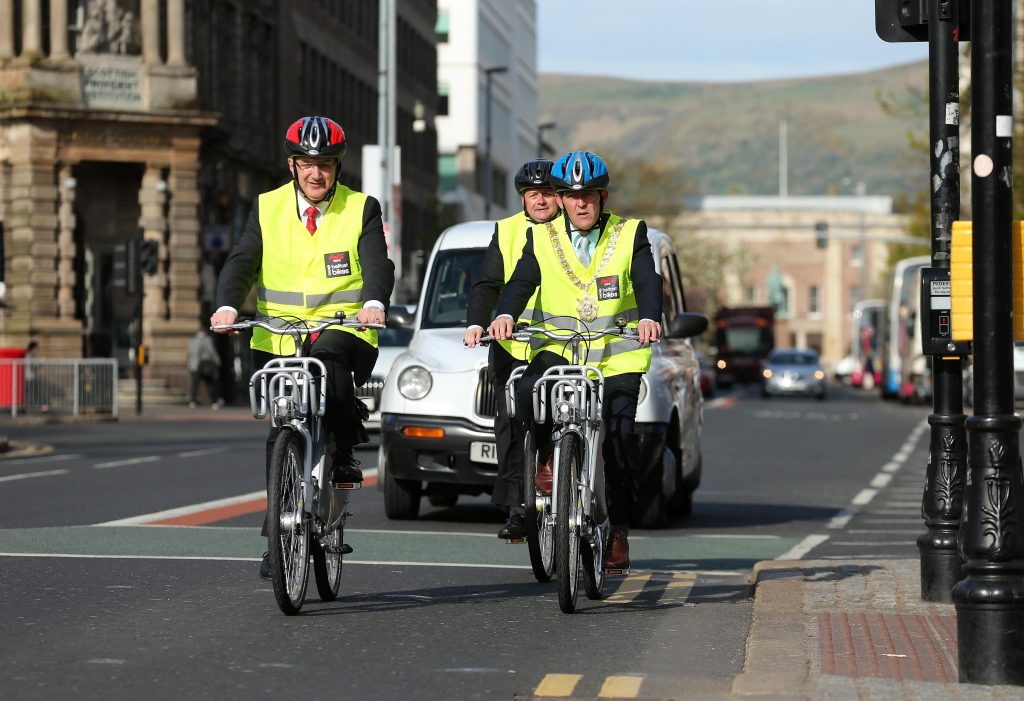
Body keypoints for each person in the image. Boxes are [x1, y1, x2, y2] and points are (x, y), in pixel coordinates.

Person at [211, 115, 395, 579]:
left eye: (327, 165)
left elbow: (377, 262)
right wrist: (228, 306)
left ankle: (346, 444)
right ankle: (278, 537)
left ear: (337, 166)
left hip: (343, 330)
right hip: (277, 334)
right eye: (309, 164)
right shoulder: (267, 207)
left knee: (328, 365)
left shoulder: (360, 208)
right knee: (282, 430)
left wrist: (373, 301)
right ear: (293, 165)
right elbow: (242, 261)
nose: (317, 174)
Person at [487, 151, 662, 570]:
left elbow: (646, 278)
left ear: (603, 197)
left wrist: (651, 316)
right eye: (571, 195)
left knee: (619, 438)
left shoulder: (629, 233)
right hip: (561, 348)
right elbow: (521, 280)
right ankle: (548, 456)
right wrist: (505, 314)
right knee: (527, 389)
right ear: (561, 199)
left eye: (589, 195)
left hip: (617, 355)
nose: (580, 203)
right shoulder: (541, 238)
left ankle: (617, 531)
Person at [464, 159, 559, 540]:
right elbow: (487, 283)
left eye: (548, 193)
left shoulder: (570, 230)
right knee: (507, 420)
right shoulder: (505, 230)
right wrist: (476, 322)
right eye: (533, 194)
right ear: (522, 197)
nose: (540, 200)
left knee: (555, 412)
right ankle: (519, 506)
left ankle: (562, 469)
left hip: (556, 340)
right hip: (511, 341)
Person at [186, 328, 224, 409]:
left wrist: (190, 364)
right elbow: (212, 352)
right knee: (211, 384)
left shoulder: (193, 341)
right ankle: (214, 402)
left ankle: (192, 402)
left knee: (194, 385)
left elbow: (189, 353)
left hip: (194, 366)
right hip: (205, 365)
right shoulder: (207, 340)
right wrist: (218, 362)